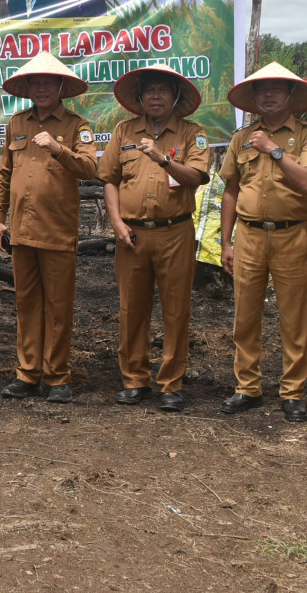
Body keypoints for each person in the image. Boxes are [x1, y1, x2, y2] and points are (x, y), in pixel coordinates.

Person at [98, 65, 210, 411]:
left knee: (176, 310)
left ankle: (171, 383)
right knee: (131, 308)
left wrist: (163, 160)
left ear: (175, 96)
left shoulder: (192, 133)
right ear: (140, 98)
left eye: (164, 90)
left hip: (175, 231)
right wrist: (116, 222)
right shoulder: (124, 130)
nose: (156, 96)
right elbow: (110, 179)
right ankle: (134, 379)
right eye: (150, 91)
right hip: (132, 234)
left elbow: (197, 176)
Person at [218, 63, 307, 423]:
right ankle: (247, 387)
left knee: (294, 316)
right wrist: (225, 241)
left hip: (292, 234)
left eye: (277, 89)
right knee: (245, 315)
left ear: (291, 95)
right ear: (254, 98)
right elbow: (231, 189)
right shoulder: (241, 137)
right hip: (247, 234)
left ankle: (293, 391)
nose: (269, 95)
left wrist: (274, 151)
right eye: (262, 90)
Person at [0, 53, 97, 404]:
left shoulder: (76, 125)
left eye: (48, 83)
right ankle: (27, 373)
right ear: (27, 88)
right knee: (26, 303)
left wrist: (58, 148)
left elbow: (90, 168)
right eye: (35, 83)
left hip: (57, 229)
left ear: (61, 87)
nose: (41, 88)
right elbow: (5, 174)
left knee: (58, 304)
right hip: (21, 230)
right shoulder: (17, 122)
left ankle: (57, 375)